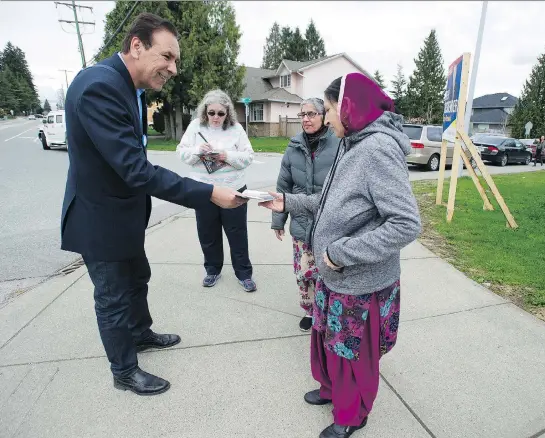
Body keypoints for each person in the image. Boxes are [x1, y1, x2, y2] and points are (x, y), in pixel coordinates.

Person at [61, 13, 247, 397]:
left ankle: (140, 334)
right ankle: (124, 372)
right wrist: (209, 193)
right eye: (167, 56)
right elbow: (135, 169)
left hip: (123, 216)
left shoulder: (126, 87)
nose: (173, 68)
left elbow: (133, 161)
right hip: (101, 221)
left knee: (137, 280)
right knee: (112, 298)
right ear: (136, 46)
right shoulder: (99, 86)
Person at [260, 73, 421, 438]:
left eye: (330, 109)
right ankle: (331, 388)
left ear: (349, 107)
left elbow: (406, 223)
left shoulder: (377, 149)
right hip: (333, 275)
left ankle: (352, 415)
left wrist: (340, 252)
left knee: (351, 353)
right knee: (325, 338)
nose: (327, 118)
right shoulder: (351, 143)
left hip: (358, 281)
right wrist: (287, 202)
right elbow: (329, 202)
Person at [177, 90, 257, 292]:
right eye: (211, 112)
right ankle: (212, 270)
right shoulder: (196, 127)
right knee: (207, 232)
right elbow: (181, 152)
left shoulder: (236, 129)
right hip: (203, 189)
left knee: (237, 233)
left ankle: (244, 274)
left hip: (233, 189)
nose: (215, 117)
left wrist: (226, 155)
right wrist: (197, 150)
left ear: (227, 113)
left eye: (220, 114)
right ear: (204, 111)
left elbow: (248, 156)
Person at [271, 98, 339, 331]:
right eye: (303, 115)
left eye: (311, 114)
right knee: (304, 272)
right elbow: (283, 186)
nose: (306, 119)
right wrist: (278, 220)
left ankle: (328, 311)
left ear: (323, 116)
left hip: (327, 222)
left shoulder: (338, 143)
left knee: (327, 271)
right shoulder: (294, 145)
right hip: (300, 221)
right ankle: (310, 311)